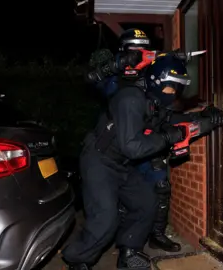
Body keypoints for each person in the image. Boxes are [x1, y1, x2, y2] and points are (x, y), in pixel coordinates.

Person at [61, 53, 192, 270]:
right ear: (157, 81)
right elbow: (134, 146)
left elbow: (171, 122)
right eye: (171, 88)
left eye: (177, 89)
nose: (174, 94)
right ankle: (77, 260)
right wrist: (168, 137)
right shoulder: (130, 97)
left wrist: (205, 118)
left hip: (123, 163)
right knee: (106, 217)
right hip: (99, 159)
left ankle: (129, 252)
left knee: (146, 203)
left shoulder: (153, 101)